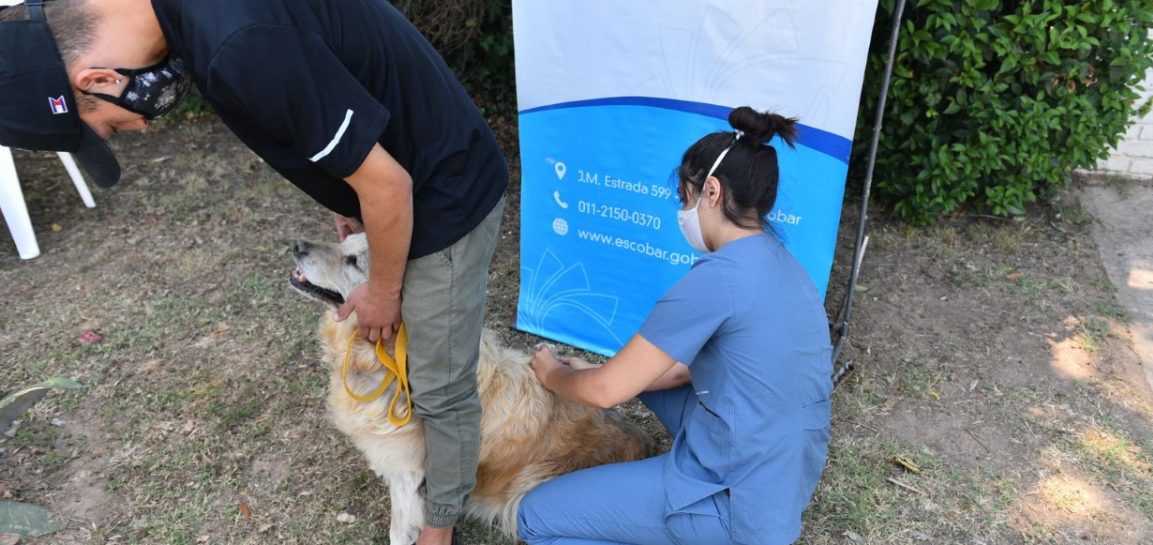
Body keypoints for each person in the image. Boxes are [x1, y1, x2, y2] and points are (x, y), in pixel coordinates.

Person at [0, 1, 507, 543]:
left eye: (106, 125)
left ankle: (439, 528)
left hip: (444, 192)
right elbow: (333, 84)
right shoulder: (188, 20)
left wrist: (383, 288)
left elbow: (389, 185)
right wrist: (347, 183)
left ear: (99, 78)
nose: (139, 127)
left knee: (440, 384)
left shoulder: (238, 46)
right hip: (403, 167)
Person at [520, 106, 833, 545]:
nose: (683, 212)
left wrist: (556, 376)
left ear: (711, 191)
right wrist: (596, 374)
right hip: (783, 485)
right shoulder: (789, 268)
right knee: (641, 379)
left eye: (685, 199)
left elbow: (606, 392)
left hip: (734, 507)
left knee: (536, 517)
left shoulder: (717, 278)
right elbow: (694, 369)